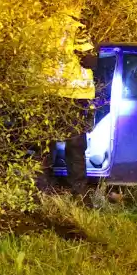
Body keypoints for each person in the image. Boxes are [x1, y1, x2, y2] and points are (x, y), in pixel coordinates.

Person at [53, 16, 98, 200]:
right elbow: (88, 61)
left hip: (44, 92)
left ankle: (43, 189)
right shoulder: (76, 29)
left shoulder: (40, 28)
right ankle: (78, 193)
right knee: (75, 147)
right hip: (73, 93)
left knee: (44, 143)